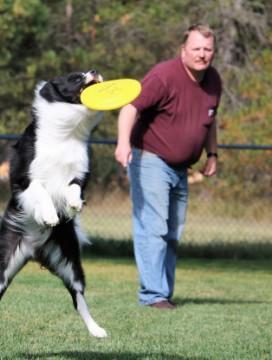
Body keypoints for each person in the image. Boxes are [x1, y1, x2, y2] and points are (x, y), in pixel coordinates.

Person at [115, 24, 222, 309]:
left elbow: (209, 120)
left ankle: (163, 292)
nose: (202, 54)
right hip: (150, 159)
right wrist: (123, 143)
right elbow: (130, 108)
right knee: (153, 227)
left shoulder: (213, 80)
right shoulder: (163, 76)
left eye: (207, 49)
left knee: (173, 232)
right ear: (183, 51)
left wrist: (212, 154)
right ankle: (153, 296)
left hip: (181, 168)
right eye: (196, 48)